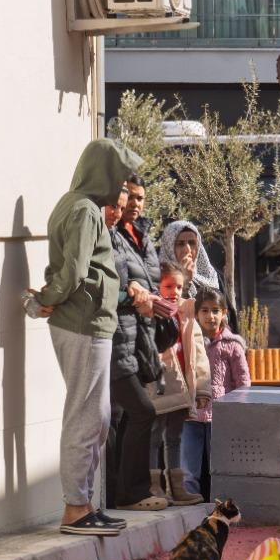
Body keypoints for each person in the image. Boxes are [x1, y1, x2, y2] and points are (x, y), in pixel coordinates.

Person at [30, 138, 142, 536]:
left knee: (94, 415)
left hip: (85, 322)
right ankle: (76, 508)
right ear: (105, 174)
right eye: (121, 178)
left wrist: (46, 299)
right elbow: (77, 269)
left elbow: (73, 269)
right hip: (84, 323)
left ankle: (82, 505)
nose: (124, 189)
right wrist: (44, 299)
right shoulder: (84, 211)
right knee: (87, 415)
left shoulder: (76, 205)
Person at [107, 177, 171, 511]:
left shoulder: (140, 236)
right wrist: (133, 296)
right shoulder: (112, 235)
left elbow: (144, 281)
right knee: (133, 413)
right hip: (120, 336)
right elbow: (113, 285)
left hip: (138, 336)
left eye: (137, 199)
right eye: (125, 200)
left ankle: (121, 491)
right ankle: (126, 492)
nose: (131, 206)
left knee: (128, 415)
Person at [182, 287, 250, 500]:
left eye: (215, 310)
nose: (210, 316)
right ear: (196, 314)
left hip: (220, 417)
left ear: (224, 314)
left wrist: (237, 412)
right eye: (204, 310)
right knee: (187, 467)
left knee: (219, 466)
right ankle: (188, 504)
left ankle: (219, 506)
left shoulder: (232, 346)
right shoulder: (189, 341)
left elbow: (243, 383)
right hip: (191, 414)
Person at [148, 263, 206, 506]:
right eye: (168, 286)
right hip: (161, 387)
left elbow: (199, 353)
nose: (174, 291)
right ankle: (154, 486)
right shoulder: (153, 314)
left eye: (179, 286)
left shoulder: (187, 315)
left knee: (175, 437)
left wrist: (203, 388)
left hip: (183, 387)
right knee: (154, 436)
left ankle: (177, 487)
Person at [158, 220, 222, 299]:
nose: (187, 249)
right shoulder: (158, 278)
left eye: (192, 243)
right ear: (169, 247)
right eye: (180, 244)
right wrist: (185, 281)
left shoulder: (210, 275)